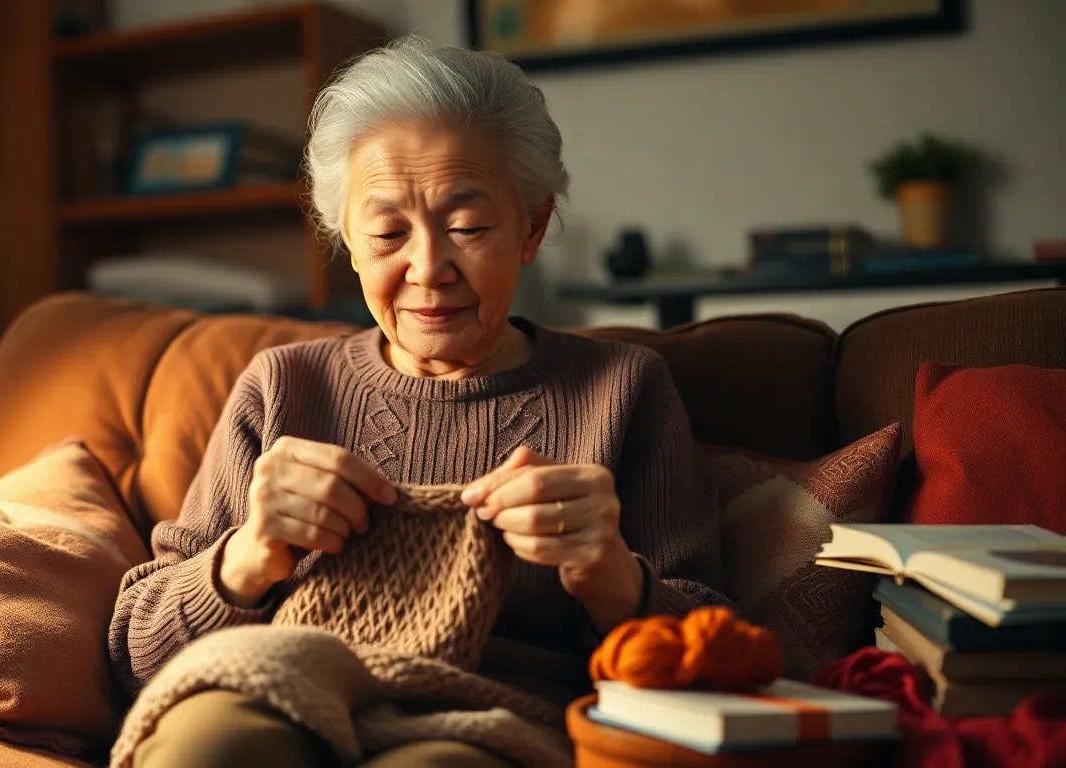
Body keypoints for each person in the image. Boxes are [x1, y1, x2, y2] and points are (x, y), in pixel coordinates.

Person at [108, 35, 729, 768]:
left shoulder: (623, 388)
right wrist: (247, 557)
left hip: (489, 721)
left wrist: (613, 577)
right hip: (276, 691)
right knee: (210, 743)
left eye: (467, 228)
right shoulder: (283, 385)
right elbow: (138, 655)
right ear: (347, 238)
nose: (428, 268)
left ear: (531, 227)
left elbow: (719, 654)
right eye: (388, 232)